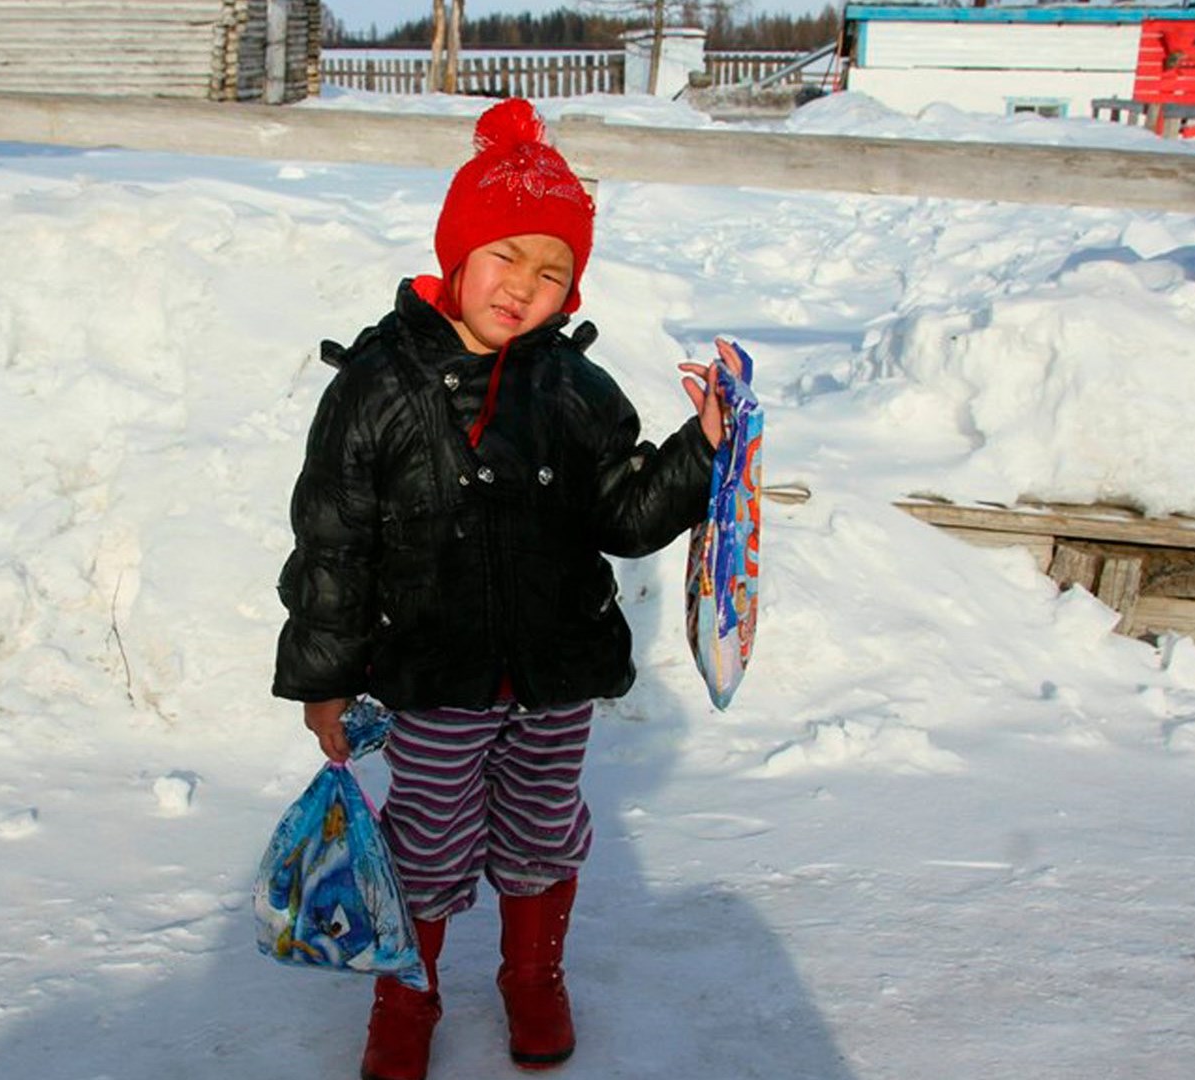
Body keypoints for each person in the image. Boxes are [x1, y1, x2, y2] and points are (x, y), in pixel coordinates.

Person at [272, 98, 740, 1080]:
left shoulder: (573, 390)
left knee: (541, 830)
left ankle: (533, 975)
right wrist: (326, 678)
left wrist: (700, 453)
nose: (524, 289)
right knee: (430, 846)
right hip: (433, 676)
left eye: (553, 272)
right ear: (457, 253)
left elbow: (623, 514)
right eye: (505, 257)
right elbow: (333, 541)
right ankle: (410, 994)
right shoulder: (377, 386)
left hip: (555, 672)